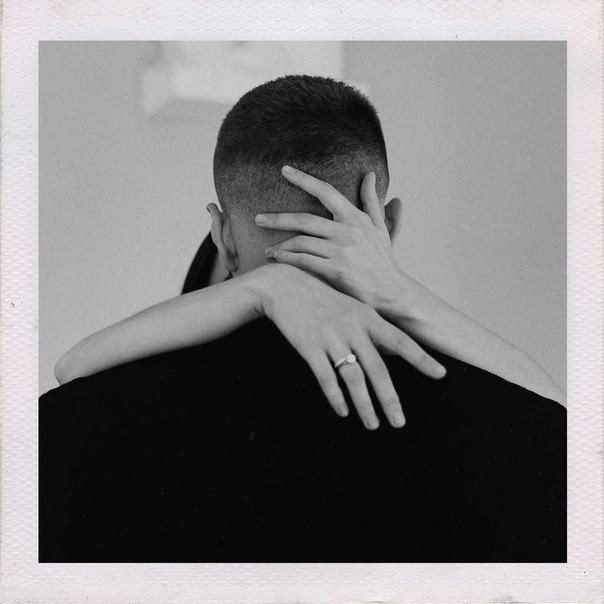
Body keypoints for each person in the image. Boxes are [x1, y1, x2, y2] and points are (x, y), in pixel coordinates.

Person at [40, 75, 566, 561]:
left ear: (222, 237)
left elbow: (70, 370)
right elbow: (555, 413)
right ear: (389, 225)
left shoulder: (72, 432)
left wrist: (265, 284)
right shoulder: (530, 440)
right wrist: (399, 291)